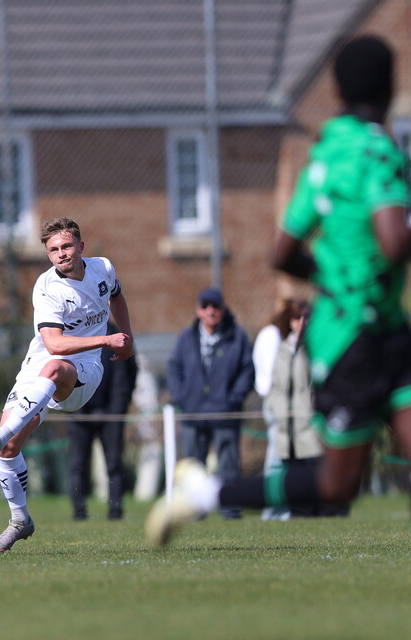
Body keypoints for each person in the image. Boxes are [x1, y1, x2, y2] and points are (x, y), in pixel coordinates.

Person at [146, 35, 410, 546]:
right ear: (390, 85)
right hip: (357, 339)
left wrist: (332, 278)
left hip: (359, 330)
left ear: (336, 90)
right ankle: (206, 495)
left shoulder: (326, 154)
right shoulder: (379, 149)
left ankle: (205, 495)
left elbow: (281, 254)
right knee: (336, 484)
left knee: (338, 486)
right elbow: (395, 243)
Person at [0, 217, 134, 552]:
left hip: (82, 373)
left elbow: (116, 296)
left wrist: (127, 337)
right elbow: (54, 344)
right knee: (11, 449)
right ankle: (19, 520)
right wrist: (108, 338)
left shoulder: (103, 268)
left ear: (81, 247)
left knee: (54, 371)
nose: (61, 253)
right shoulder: (46, 288)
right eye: (53, 249)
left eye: (67, 246)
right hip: (39, 364)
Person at [165, 287, 255, 519]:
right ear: (198, 311)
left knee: (228, 466)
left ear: (223, 309)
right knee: (194, 468)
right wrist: (182, 397)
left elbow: (247, 370)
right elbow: (174, 368)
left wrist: (233, 399)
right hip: (193, 412)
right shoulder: (187, 337)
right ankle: (195, 512)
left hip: (225, 413)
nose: (210, 311)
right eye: (205, 306)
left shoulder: (237, 336)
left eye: (215, 306)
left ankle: (231, 510)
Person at [265, 300, 350, 518]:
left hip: (312, 433)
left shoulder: (319, 348)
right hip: (289, 433)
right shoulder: (283, 349)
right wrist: (281, 414)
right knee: (296, 495)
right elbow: (276, 389)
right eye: (296, 318)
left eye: (306, 318)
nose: (301, 322)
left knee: (323, 489)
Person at [66, 321, 138, 521]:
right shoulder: (74, 331)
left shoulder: (118, 334)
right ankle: (79, 512)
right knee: (78, 464)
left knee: (114, 463)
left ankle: (116, 510)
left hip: (110, 413)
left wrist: (119, 407)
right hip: (79, 411)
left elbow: (130, 371)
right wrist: (71, 405)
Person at [253, 299, 292, 521]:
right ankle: (273, 510)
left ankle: (281, 508)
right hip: (276, 401)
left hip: (279, 400)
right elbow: (271, 376)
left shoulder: (273, 335)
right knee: (277, 457)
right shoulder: (272, 337)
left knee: (281, 456)